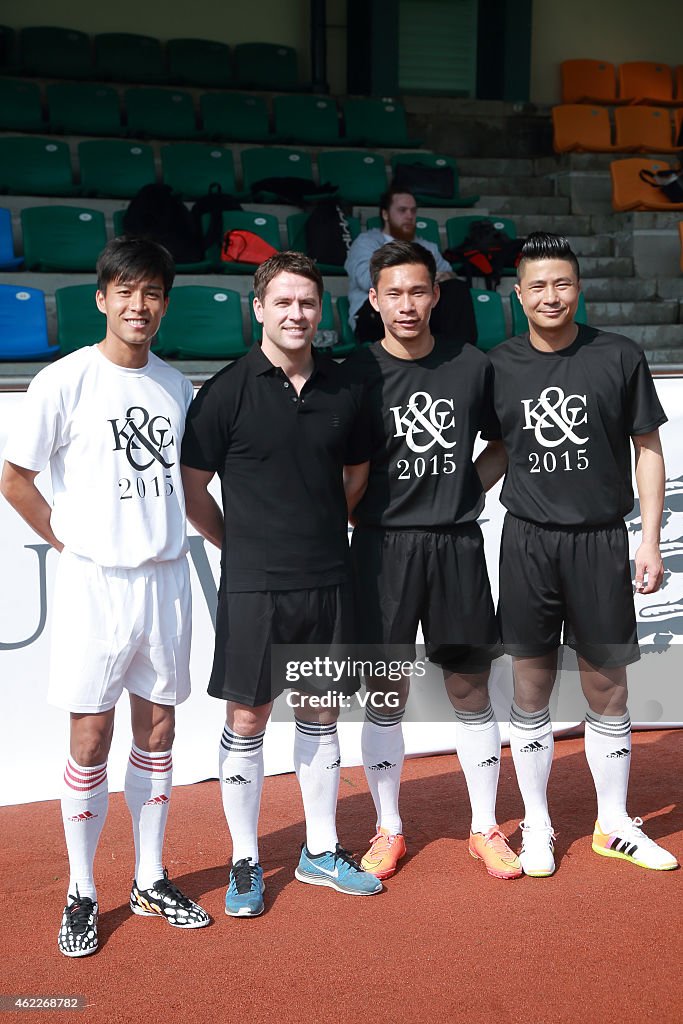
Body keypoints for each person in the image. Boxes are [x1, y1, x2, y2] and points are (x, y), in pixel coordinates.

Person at [0, 237, 210, 958]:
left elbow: (187, 485)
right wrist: (69, 544)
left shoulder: (177, 386)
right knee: (90, 735)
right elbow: (15, 477)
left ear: (164, 303)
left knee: (158, 732)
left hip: (165, 578)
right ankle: (82, 888)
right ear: (101, 298)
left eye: (151, 293)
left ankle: (150, 876)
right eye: (125, 291)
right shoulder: (63, 381)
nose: (138, 305)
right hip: (98, 583)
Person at [180, 251, 382, 918]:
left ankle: (320, 851)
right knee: (246, 719)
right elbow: (193, 490)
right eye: (283, 302)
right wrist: (237, 546)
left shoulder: (344, 388)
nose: (296, 314)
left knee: (322, 714)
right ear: (259, 309)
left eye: (307, 303)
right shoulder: (224, 391)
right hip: (253, 587)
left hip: (327, 578)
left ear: (318, 311)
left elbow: (354, 475)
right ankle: (245, 859)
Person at [476, 231, 679, 876]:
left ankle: (613, 823)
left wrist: (648, 538)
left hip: (600, 541)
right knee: (531, 685)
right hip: (529, 541)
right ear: (518, 294)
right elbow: (499, 451)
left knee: (606, 685)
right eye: (537, 285)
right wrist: (436, 502)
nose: (551, 295)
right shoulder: (497, 364)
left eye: (562, 283)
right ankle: (537, 823)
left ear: (580, 288)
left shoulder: (618, 355)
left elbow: (649, 448)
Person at [343, 240, 521, 882]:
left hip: (455, 546)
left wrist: (470, 485)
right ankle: (388, 828)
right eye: (394, 292)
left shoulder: (472, 366)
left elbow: (503, 441)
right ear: (373, 299)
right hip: (381, 548)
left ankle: (484, 827)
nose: (407, 304)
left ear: (436, 294)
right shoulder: (354, 371)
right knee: (382, 692)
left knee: (469, 688)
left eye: (418, 290)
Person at [345, 186, 477, 345]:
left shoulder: (426, 246)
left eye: (413, 211)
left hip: (417, 313)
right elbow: (367, 280)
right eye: (402, 210)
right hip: (375, 314)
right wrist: (420, 281)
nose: (409, 216)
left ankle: (462, 353)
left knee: (456, 288)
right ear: (385, 214)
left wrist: (443, 278)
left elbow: (449, 274)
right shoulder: (367, 242)